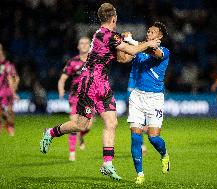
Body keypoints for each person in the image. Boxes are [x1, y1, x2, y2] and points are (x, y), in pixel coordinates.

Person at [39, 3, 161, 181]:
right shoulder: (105, 34)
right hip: (89, 83)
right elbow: (133, 50)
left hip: (102, 84)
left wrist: (132, 45)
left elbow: (123, 57)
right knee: (81, 125)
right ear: (114, 18)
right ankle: (51, 132)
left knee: (111, 122)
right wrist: (147, 43)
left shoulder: (110, 36)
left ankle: (107, 164)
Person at [118, 22, 170, 184]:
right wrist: (120, 43)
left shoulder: (165, 52)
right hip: (137, 96)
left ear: (160, 36)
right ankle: (140, 174)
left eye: (153, 32)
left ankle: (164, 154)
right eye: (148, 31)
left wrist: (132, 41)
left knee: (153, 138)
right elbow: (122, 59)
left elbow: (155, 52)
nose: (149, 33)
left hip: (154, 99)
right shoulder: (139, 50)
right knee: (135, 136)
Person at [58, 37, 93, 161]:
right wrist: (61, 89)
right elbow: (62, 79)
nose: (83, 45)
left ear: (90, 45)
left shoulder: (94, 61)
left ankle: (81, 136)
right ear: (78, 46)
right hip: (75, 98)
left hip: (89, 98)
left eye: (86, 43)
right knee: (74, 124)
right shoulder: (72, 62)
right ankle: (72, 152)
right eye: (81, 43)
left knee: (87, 127)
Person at [1, 55, 20, 137]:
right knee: (0, 111)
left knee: (10, 110)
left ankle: (11, 126)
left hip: (9, 91)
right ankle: (7, 123)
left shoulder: (10, 66)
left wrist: (14, 90)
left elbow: (17, 78)